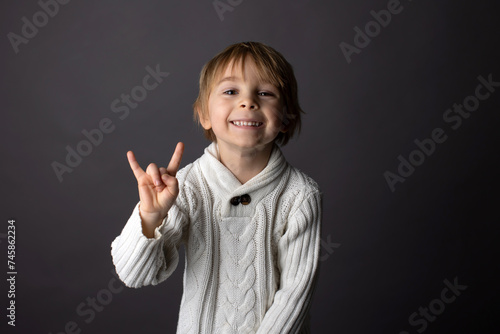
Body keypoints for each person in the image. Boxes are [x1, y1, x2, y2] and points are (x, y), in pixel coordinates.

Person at [111, 41, 322, 333]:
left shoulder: (300, 195)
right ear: (204, 114)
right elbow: (135, 274)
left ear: (286, 117)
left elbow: (295, 296)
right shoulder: (186, 186)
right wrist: (150, 216)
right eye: (230, 91)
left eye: (265, 93)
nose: (248, 102)